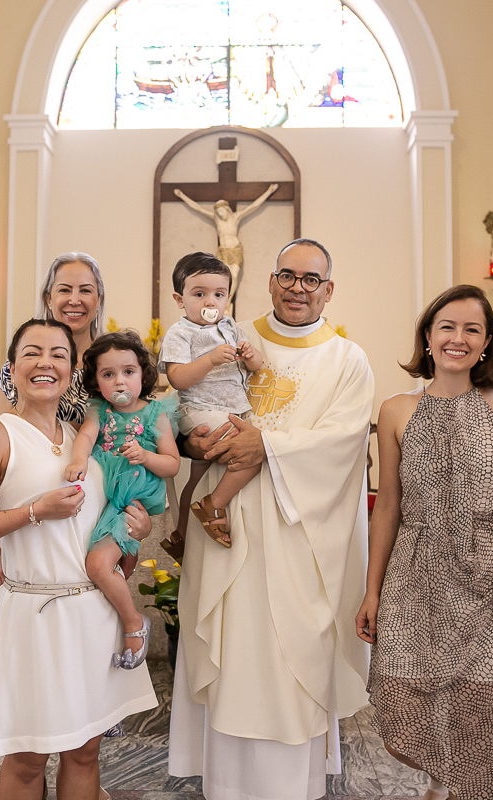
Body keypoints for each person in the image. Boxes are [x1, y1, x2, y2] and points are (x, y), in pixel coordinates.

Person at [168, 238, 375, 800]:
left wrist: (268, 446)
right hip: (226, 530)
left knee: (288, 668)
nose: (298, 288)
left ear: (328, 289)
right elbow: (182, 410)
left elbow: (345, 441)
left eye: (312, 279)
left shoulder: (346, 359)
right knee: (231, 656)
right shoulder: (232, 335)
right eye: (288, 275)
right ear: (270, 280)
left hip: (296, 539)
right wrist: (192, 440)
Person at [0, 318, 157, 800]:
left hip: (95, 616)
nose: (45, 363)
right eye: (32, 353)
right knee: (26, 760)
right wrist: (32, 512)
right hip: (34, 619)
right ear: (12, 368)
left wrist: (135, 534)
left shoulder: (88, 439)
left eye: (58, 354)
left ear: (73, 369)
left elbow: (105, 531)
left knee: (85, 752)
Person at [356, 285, 493, 800]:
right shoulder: (395, 409)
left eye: (472, 329)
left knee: (481, 710)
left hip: (492, 578)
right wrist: (372, 591)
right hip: (416, 575)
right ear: (428, 338)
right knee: (398, 697)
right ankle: (442, 784)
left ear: (486, 344)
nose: (458, 338)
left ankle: (455, 791)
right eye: (447, 327)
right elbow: (387, 504)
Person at [0, 253, 152, 585]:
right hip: (38, 510)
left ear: (99, 298)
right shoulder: (19, 367)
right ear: (48, 298)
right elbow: (1, 456)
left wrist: (137, 513)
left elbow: (142, 432)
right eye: (64, 290)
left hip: (105, 504)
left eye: (85, 290)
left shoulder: (116, 363)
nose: (74, 300)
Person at [66, 331, 181, 668]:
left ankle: (133, 623)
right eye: (108, 374)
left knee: (98, 566)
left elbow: (171, 464)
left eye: (128, 372)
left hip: (131, 502)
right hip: (105, 500)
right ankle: (109, 635)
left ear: (142, 374)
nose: (120, 381)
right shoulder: (98, 409)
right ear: (96, 382)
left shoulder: (155, 413)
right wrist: (78, 460)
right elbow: (86, 437)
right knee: (111, 569)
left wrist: (144, 456)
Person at [158, 252, 264, 558]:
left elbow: (257, 365)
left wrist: (249, 353)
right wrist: (210, 359)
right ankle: (213, 505)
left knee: (198, 475)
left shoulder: (231, 327)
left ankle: (180, 534)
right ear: (180, 299)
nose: (210, 303)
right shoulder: (181, 333)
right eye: (199, 294)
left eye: (218, 295)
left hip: (230, 409)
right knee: (251, 452)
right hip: (199, 408)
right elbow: (177, 378)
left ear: (228, 298)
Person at [174, 183, 278, 300]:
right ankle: (224, 303)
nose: (220, 214)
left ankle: (228, 302)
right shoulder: (216, 219)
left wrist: (269, 191)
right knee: (222, 279)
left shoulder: (235, 217)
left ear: (227, 209)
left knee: (233, 276)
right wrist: (182, 196)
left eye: (222, 211)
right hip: (223, 251)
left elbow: (253, 206)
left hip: (235, 250)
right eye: (218, 212)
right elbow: (198, 208)